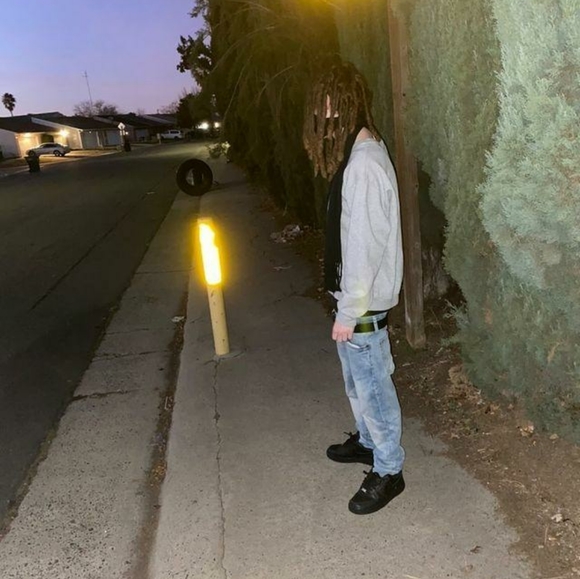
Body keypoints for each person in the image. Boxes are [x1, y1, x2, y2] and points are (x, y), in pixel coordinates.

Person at [303, 61, 405, 515]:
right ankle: (367, 442)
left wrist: (349, 311)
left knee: (373, 387)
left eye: (325, 101)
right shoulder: (358, 151)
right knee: (357, 382)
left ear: (341, 102)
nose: (319, 111)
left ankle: (389, 469)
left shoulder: (363, 163)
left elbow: (365, 245)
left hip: (362, 305)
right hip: (352, 298)